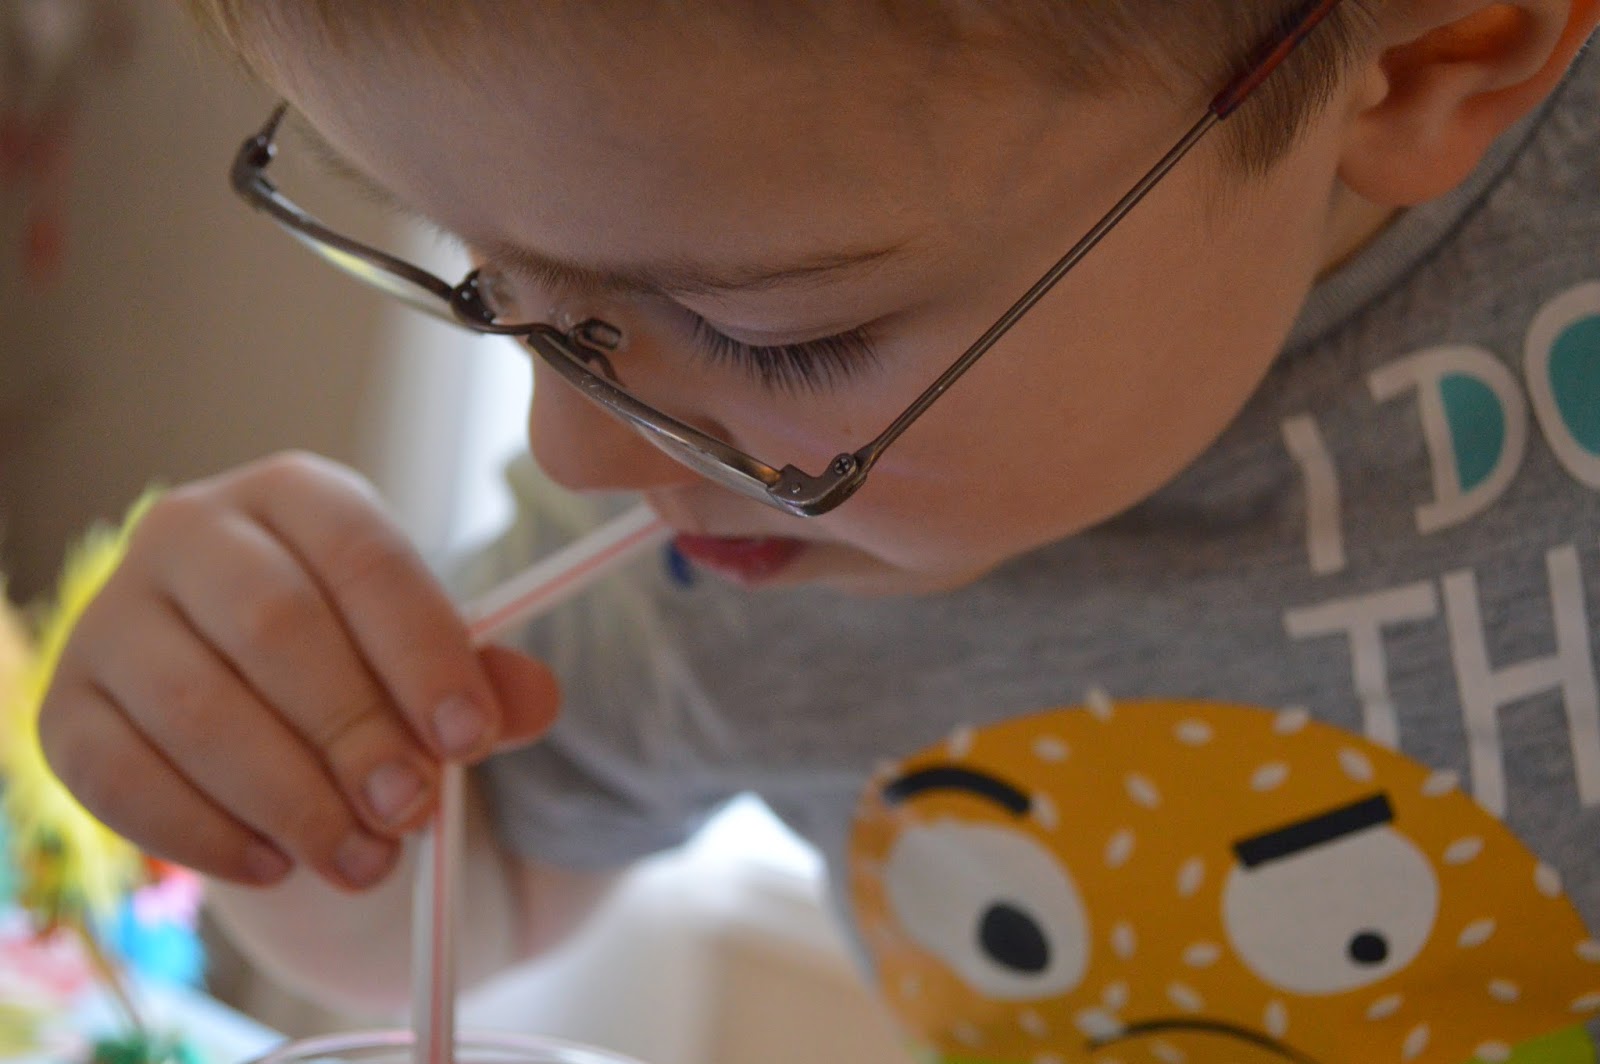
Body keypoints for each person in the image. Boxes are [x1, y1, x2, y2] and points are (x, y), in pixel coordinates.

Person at [37, 0, 1600, 1059]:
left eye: (769, 339)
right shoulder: (722, 539)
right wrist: (273, 752)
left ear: (1433, 58)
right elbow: (475, 877)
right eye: (494, 277)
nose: (575, 450)